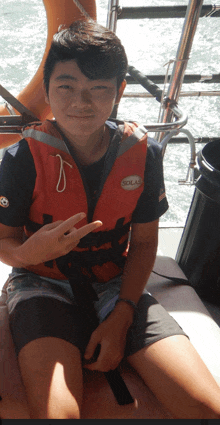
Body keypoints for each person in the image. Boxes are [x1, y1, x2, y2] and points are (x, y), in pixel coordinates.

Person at [0, 20, 220, 420]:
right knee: (57, 415)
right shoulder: (20, 160)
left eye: (98, 88)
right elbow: (4, 243)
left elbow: (147, 242)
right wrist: (30, 251)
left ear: (118, 92)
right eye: (65, 86)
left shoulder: (144, 155)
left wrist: (122, 314)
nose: (80, 102)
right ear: (47, 86)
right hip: (39, 281)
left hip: (115, 283)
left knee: (206, 409)